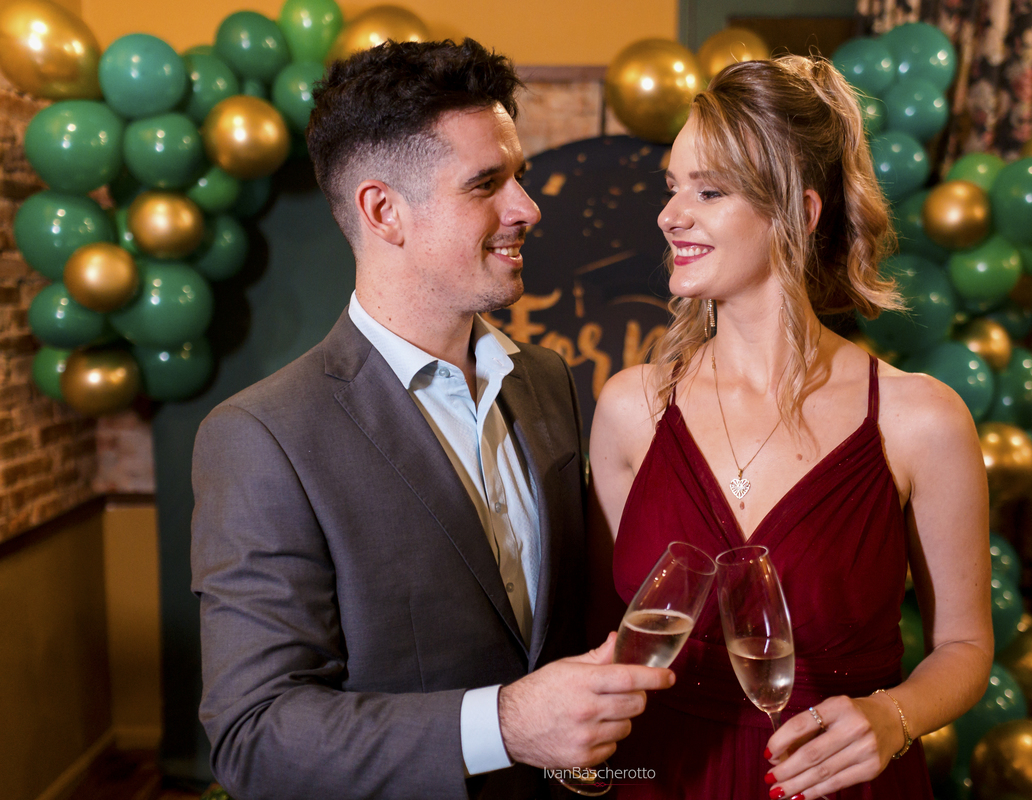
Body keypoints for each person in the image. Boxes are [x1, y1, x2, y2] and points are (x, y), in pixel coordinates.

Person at [191, 39, 673, 800]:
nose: (526, 208)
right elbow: (256, 738)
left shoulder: (546, 381)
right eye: (486, 184)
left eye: (519, 177)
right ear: (384, 211)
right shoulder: (263, 437)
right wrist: (503, 725)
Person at [589, 55, 993, 799]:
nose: (671, 214)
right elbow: (604, 637)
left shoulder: (920, 420)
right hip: (661, 778)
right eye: (672, 187)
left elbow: (965, 646)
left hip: (835, 786)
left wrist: (892, 718)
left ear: (800, 214)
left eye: (709, 191)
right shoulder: (631, 410)